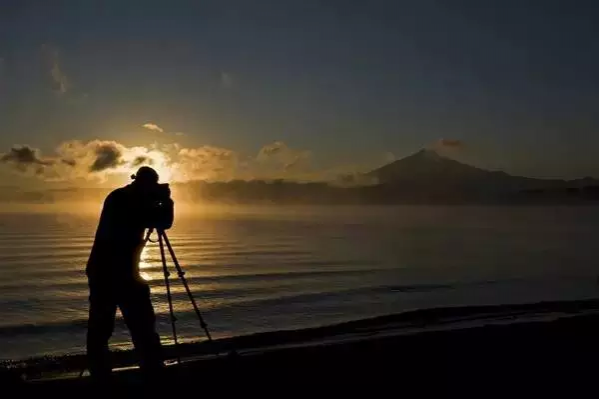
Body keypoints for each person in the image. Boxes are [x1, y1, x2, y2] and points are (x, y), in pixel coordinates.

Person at [85, 166, 174, 384]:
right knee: (129, 325)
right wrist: (167, 202)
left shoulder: (120, 197)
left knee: (106, 326)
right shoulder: (126, 200)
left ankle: (108, 373)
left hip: (111, 271)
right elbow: (163, 221)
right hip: (114, 273)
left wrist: (161, 201)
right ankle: (148, 371)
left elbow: (160, 222)